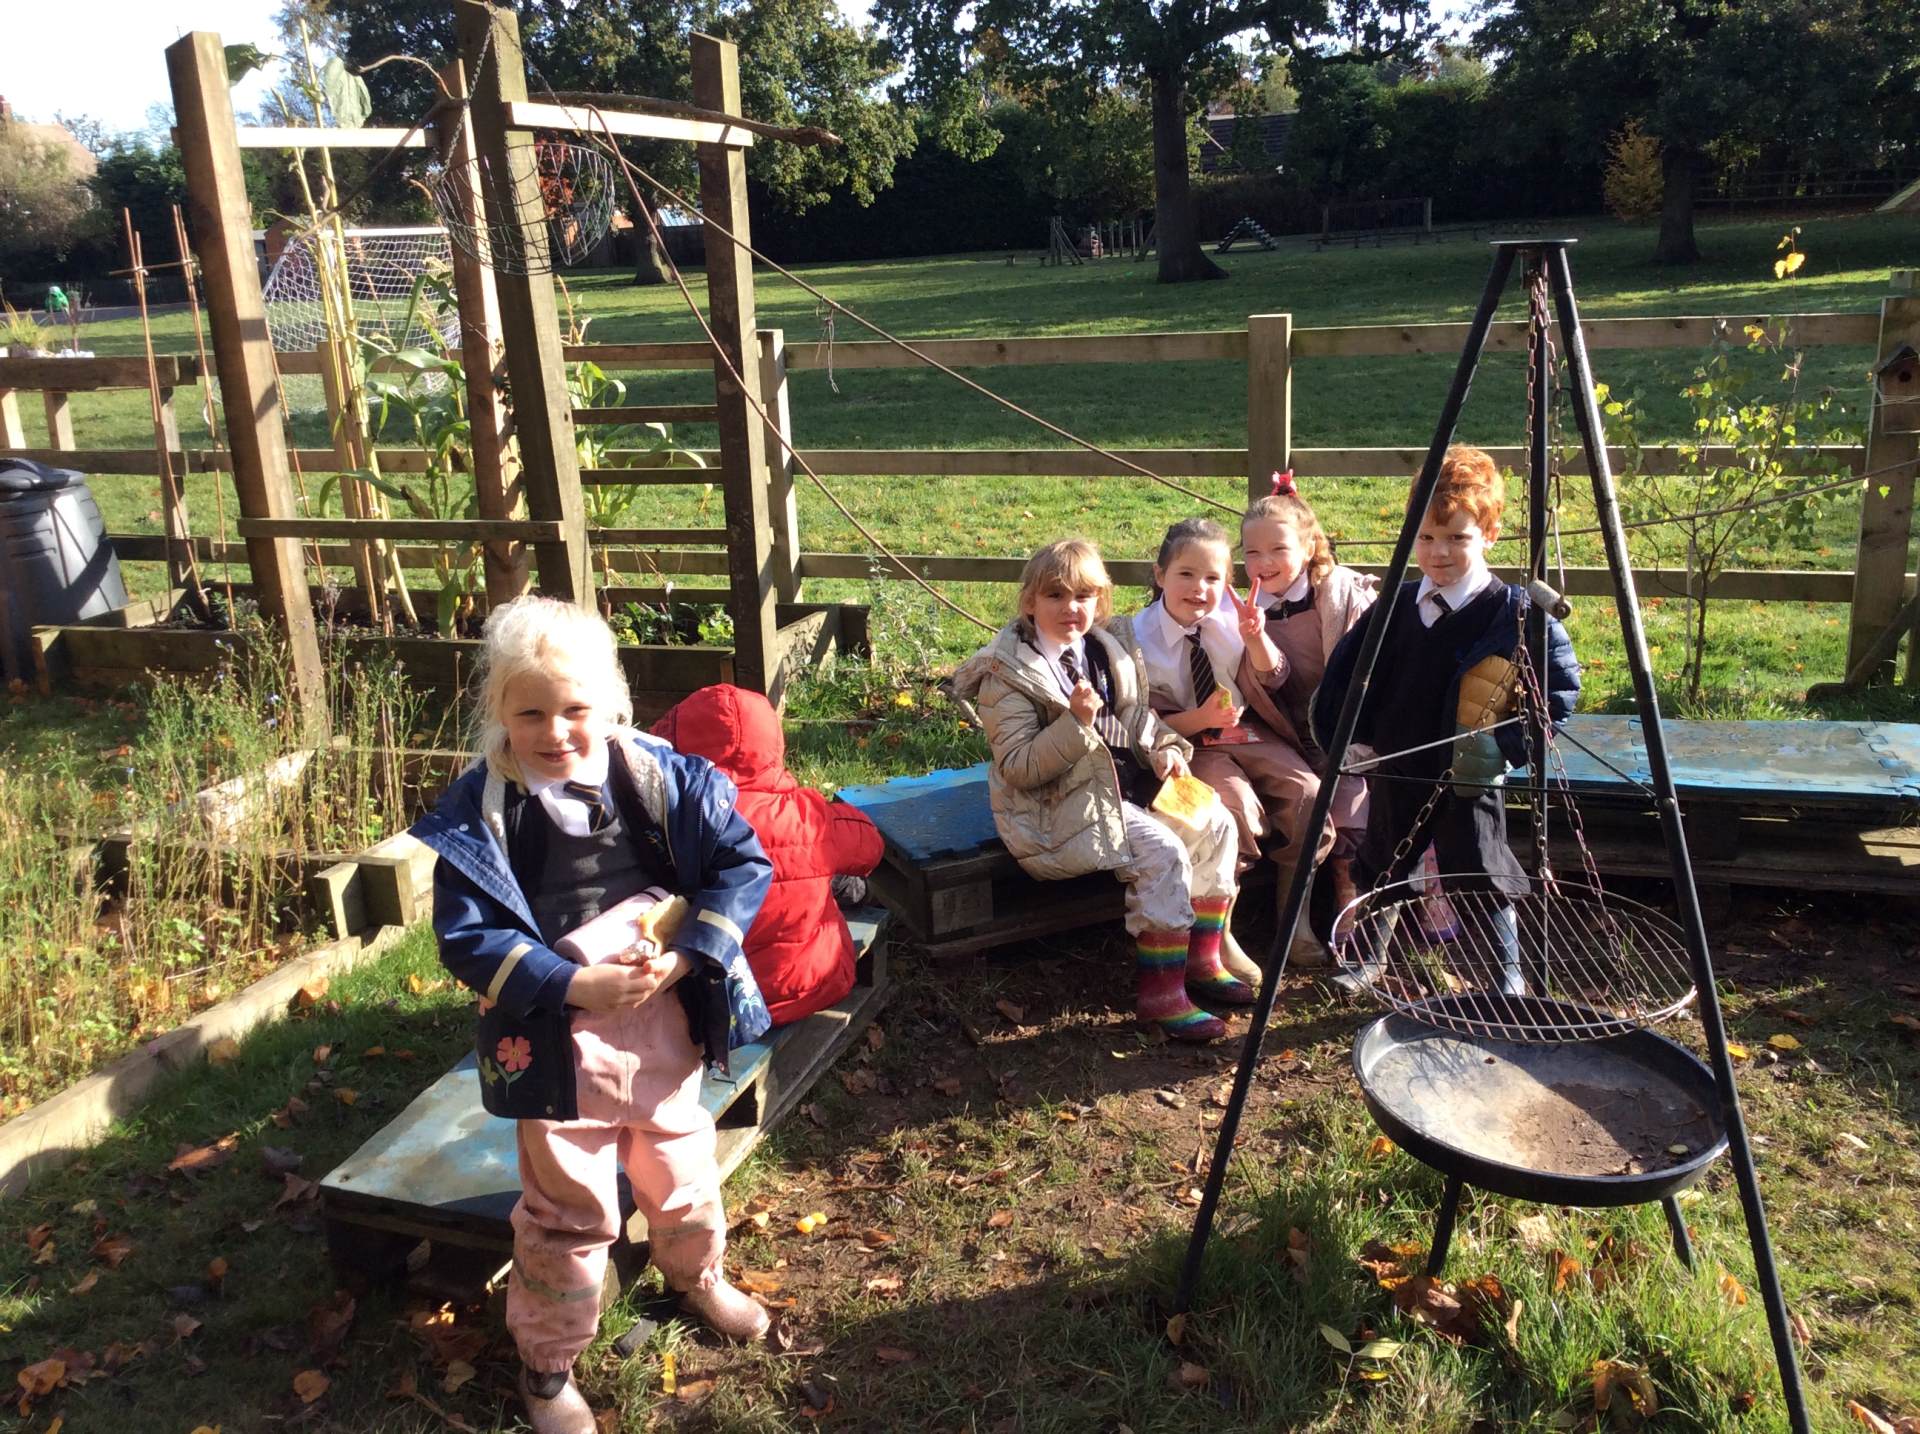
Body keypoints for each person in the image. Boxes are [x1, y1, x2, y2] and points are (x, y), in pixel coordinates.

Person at [412, 597, 776, 1434]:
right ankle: (547, 1368)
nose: (555, 732)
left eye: (575, 709)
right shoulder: (481, 814)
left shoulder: (662, 780)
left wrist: (685, 958)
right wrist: (574, 986)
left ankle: (698, 1275)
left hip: (660, 1021)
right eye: (530, 714)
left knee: (680, 1163)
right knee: (567, 1208)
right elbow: (468, 938)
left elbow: (741, 865)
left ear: (611, 703)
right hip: (551, 1037)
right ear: (498, 711)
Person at [950, 538, 1246, 1041]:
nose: (1072, 608)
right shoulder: (1009, 674)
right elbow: (1019, 767)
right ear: (1030, 602)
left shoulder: (1103, 649)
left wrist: (1164, 749)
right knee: (1163, 852)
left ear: (1101, 600)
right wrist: (1075, 724)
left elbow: (1134, 715)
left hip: (1122, 786)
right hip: (1054, 806)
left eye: (1084, 596)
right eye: (1056, 596)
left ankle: (1202, 957)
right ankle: (1162, 995)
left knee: (1216, 822)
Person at [1312, 445, 1580, 995]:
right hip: (1399, 759)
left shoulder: (1514, 614)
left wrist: (1506, 746)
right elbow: (1347, 673)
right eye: (1427, 537)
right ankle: (1371, 958)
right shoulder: (1395, 606)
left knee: (1479, 863)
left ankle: (1506, 972)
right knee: (1385, 857)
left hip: (1469, 767)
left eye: (1457, 538)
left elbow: (1557, 691)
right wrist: (1352, 736)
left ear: (1490, 535)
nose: (1439, 553)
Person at [1110, 517, 1333, 981]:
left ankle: (1294, 916)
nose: (1199, 588)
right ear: (1160, 575)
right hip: (1187, 744)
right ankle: (1220, 931)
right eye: (1186, 574)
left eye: (1213, 577)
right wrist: (1201, 719)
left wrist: (1256, 638)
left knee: (1308, 794)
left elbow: (1275, 677)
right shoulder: (1134, 640)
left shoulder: (1234, 619)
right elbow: (1139, 722)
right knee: (1233, 808)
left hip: (1245, 731)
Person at [652, 683, 884, 1026]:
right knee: (838, 879)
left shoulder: (670, 818)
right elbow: (871, 847)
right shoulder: (807, 814)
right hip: (815, 984)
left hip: (713, 1005)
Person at [1240, 472, 1379, 954]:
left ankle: (1349, 911)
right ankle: (1292, 926)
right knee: (1305, 803)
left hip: (1345, 730)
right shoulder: (1245, 608)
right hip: (1283, 732)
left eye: (1278, 549)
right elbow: (1269, 681)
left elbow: (1366, 673)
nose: (1264, 563)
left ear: (1308, 547)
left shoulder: (1340, 596)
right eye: (1252, 552)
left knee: (1350, 804)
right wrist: (1255, 636)